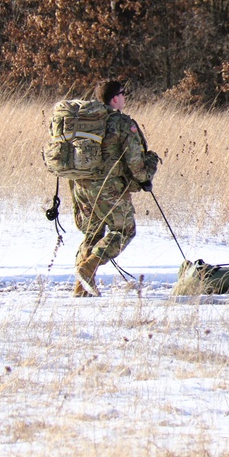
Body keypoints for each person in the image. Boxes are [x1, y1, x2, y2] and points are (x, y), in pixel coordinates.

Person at [70, 80, 158, 297]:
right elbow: (135, 160)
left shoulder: (84, 119)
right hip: (108, 188)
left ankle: (81, 288)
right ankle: (88, 268)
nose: (125, 97)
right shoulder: (122, 123)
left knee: (93, 233)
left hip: (80, 185)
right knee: (124, 231)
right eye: (123, 94)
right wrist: (145, 178)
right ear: (115, 98)